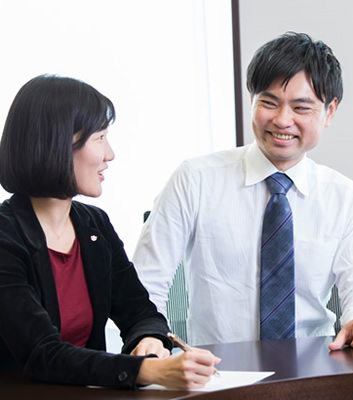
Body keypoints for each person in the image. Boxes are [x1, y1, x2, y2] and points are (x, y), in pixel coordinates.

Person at [133, 32, 353, 350]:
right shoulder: (195, 180)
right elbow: (146, 283)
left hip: (315, 364)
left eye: (301, 108)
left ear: (330, 111)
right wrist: (151, 340)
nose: (282, 120)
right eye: (269, 103)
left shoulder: (344, 197)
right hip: (219, 368)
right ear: (252, 100)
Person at [0, 75, 219, 388]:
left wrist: (148, 339)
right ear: (57, 143)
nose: (110, 154)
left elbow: (140, 311)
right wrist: (149, 371)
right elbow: (42, 354)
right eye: (100, 137)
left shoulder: (94, 225)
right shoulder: (6, 237)